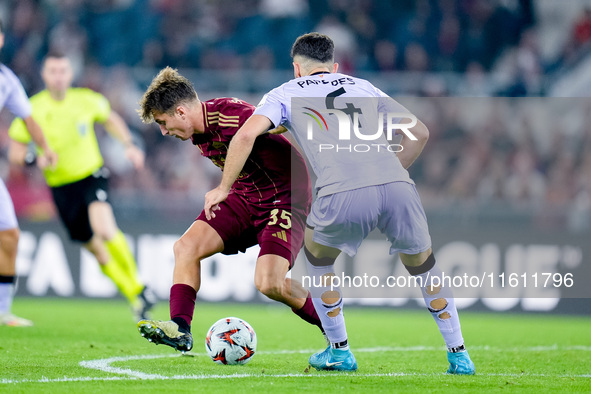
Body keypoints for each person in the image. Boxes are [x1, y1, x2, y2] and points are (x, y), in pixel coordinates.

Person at [204, 32, 476, 374]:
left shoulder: (285, 92)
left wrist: (224, 187)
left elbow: (245, 134)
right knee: (424, 266)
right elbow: (419, 131)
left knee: (317, 259)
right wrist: (390, 171)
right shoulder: (364, 86)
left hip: (342, 190)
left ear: (296, 69)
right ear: (334, 67)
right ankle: (459, 354)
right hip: (396, 185)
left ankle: (339, 351)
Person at [134, 67, 321, 353]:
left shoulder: (230, 114)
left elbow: (254, 133)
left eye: (163, 121)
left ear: (181, 112)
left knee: (269, 283)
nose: (163, 131)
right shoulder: (197, 131)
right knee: (185, 248)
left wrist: (222, 188)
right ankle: (181, 330)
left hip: (285, 196)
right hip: (247, 194)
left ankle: (333, 326)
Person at [8, 52, 155, 321]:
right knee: (98, 252)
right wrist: (34, 158)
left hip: (91, 175)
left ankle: (140, 288)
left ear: (70, 74)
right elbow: (15, 152)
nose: (58, 76)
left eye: (63, 71)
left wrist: (129, 145)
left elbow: (111, 119)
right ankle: (135, 295)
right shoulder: (32, 109)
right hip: (61, 187)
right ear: (44, 75)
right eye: (53, 71)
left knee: (105, 228)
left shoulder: (86, 100)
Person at [0, 18, 57, 327]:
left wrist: (45, 148)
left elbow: (29, 118)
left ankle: (3, 311)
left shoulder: (6, 79)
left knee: (9, 234)